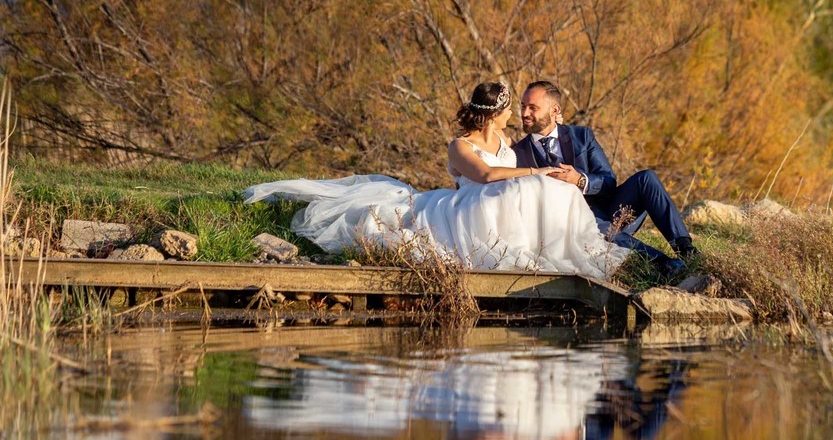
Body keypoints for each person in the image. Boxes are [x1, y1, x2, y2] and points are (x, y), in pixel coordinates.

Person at [242, 82, 630, 279]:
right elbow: (488, 175)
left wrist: (547, 175)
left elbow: (509, 169)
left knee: (544, 188)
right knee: (532, 183)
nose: (516, 115)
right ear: (495, 113)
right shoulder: (459, 146)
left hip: (497, 201)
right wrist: (536, 171)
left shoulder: (505, 140)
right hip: (469, 204)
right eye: (512, 109)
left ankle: (566, 247)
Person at [512, 80, 696, 276]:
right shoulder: (518, 153)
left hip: (610, 210)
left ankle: (685, 249)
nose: (524, 113)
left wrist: (580, 180)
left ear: (554, 110)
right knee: (598, 224)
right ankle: (665, 264)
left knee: (646, 178)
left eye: (533, 108)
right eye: (523, 106)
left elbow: (608, 180)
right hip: (570, 224)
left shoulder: (582, 136)